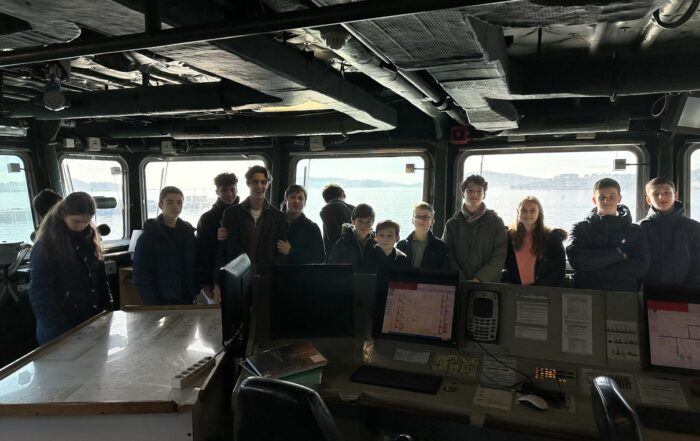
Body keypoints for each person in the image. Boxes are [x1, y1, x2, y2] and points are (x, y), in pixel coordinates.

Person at [29, 192, 113, 344]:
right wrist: (61, 330)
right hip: (59, 330)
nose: (81, 226)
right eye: (77, 221)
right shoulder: (45, 247)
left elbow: (100, 279)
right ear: (63, 214)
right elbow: (40, 295)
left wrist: (108, 309)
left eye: (86, 222)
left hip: (90, 321)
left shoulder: (90, 240)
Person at [567, 178, 649, 292]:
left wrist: (594, 270)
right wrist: (619, 254)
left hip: (623, 294)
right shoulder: (580, 228)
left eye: (612, 196)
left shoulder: (635, 231)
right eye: (602, 197)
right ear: (594, 200)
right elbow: (578, 261)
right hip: (588, 293)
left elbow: (641, 267)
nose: (606, 200)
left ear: (619, 198)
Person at [133, 186, 199, 305]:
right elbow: (141, 275)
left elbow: (194, 265)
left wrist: (194, 291)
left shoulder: (188, 233)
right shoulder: (148, 237)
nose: (175, 206)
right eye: (170, 202)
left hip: (187, 298)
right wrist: (154, 305)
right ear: (160, 204)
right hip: (160, 301)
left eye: (179, 202)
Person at [216, 165, 287, 277]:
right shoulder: (231, 214)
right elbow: (223, 249)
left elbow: (281, 252)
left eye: (263, 182)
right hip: (237, 277)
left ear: (268, 184)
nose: (259, 186)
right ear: (248, 183)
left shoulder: (278, 217)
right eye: (255, 182)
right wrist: (217, 281)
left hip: (267, 278)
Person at [442, 175, 507, 281]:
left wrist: (479, 279)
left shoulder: (496, 223)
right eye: (470, 190)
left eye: (479, 191)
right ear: (463, 194)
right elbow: (448, 255)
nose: (474, 194)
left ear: (484, 195)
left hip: (488, 284)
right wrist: (462, 280)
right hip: (459, 283)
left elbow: (499, 256)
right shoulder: (452, 224)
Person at [640, 177, 700, 287]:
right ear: (648, 200)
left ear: (676, 196)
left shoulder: (695, 228)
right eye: (656, 194)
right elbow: (636, 263)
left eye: (667, 192)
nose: (662, 197)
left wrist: (689, 290)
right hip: (647, 292)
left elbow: (697, 265)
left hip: (687, 292)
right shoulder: (639, 228)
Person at [502, 196, 567, 287]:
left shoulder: (552, 238)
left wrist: (536, 288)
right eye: (524, 210)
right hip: (515, 290)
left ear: (539, 213)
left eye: (532, 210)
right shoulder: (508, 237)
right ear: (518, 212)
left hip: (543, 290)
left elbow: (559, 272)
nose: (527, 214)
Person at [196, 172, 239, 302]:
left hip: (241, 275)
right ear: (217, 192)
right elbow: (202, 253)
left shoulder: (244, 214)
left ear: (237, 189)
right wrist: (206, 283)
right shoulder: (207, 219)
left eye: (232, 189)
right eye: (224, 190)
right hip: (214, 280)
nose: (229, 194)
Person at [276, 184, 325, 264]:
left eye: (300, 198)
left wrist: (291, 251)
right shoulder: (275, 223)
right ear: (285, 200)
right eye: (292, 197)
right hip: (275, 271)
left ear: (305, 203)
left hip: (299, 271)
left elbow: (319, 257)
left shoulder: (312, 228)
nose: (296, 201)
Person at [397, 202, 448, 270]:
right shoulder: (401, 245)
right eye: (418, 217)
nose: (421, 220)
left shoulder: (441, 247)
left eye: (425, 217)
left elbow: (443, 273)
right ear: (412, 220)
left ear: (432, 221)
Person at [328, 203, 376, 273]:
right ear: (353, 221)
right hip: (347, 280)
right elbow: (332, 270)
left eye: (368, 221)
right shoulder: (341, 244)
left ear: (373, 223)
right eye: (360, 221)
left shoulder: (377, 243)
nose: (364, 225)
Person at [320, 184, 355, 258]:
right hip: (354, 255)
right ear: (342, 194)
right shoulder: (354, 209)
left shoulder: (327, 209)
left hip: (338, 258)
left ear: (325, 199)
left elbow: (332, 236)